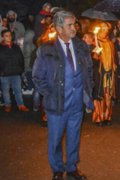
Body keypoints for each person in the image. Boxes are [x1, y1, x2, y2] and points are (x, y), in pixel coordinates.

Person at [32, 10, 93, 180]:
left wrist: (88, 90)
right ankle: (57, 169)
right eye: (70, 25)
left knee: (74, 137)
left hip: (76, 103)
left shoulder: (81, 46)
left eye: (74, 24)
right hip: (57, 103)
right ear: (59, 28)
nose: (74, 28)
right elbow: (37, 77)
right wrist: (49, 94)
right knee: (55, 139)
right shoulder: (46, 50)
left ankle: (72, 168)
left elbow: (88, 70)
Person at [92, 22, 116, 127]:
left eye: (107, 28)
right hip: (100, 72)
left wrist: (114, 64)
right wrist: (96, 55)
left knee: (108, 94)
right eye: (103, 28)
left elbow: (114, 57)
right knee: (100, 94)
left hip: (109, 73)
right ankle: (99, 117)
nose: (105, 30)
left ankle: (107, 116)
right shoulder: (95, 42)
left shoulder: (110, 43)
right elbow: (93, 59)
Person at [0, 29, 29, 112]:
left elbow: (21, 58)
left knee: (18, 90)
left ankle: (21, 105)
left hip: (16, 73)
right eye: (6, 36)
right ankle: (7, 105)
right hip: (4, 74)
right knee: (5, 91)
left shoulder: (16, 46)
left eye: (10, 35)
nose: (9, 37)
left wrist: (21, 70)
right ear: (3, 37)